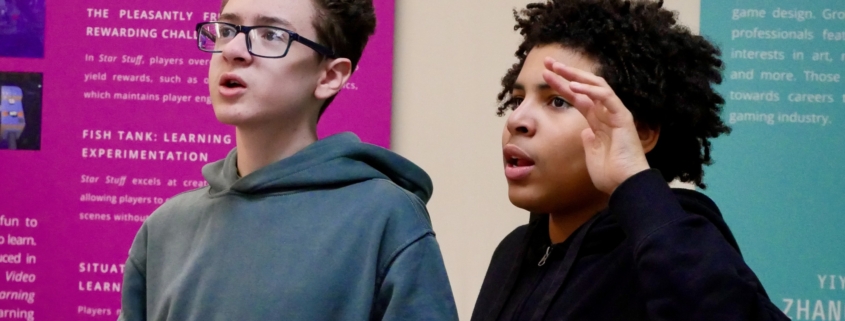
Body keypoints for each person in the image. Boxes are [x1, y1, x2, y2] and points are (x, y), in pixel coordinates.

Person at [117, 0, 458, 319]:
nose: (233, 50)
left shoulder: (385, 219)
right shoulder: (165, 229)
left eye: (271, 35)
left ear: (330, 76)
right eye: (227, 29)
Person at [471, 0, 789, 320]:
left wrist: (635, 185)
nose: (516, 120)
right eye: (518, 100)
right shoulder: (512, 255)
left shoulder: (675, 249)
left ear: (640, 132)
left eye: (557, 101)